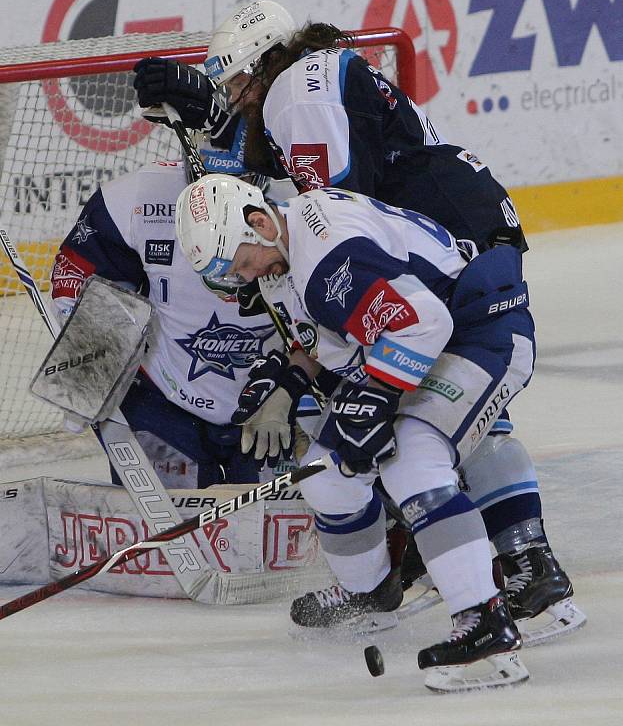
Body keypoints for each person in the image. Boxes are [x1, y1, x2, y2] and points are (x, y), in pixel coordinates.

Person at [134, 1, 579, 632]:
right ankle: (472, 559)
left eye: (235, 86)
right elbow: (296, 199)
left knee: (450, 413)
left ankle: (526, 563)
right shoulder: (307, 81)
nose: (234, 100)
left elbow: (325, 206)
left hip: (450, 242)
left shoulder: (296, 89)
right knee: (425, 411)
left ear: (264, 65)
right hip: (450, 225)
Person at [175, 174, 538, 681]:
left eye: (241, 264)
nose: (244, 278)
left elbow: (424, 321)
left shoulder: (327, 253)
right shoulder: (282, 255)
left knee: (413, 459)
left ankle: (484, 619)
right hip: (419, 345)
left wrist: (375, 397)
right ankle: (369, 591)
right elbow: (332, 340)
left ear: (258, 223)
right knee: (324, 473)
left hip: (481, 329)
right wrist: (287, 383)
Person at [49, 98, 283, 489]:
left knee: (282, 538)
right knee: (164, 538)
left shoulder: (302, 201)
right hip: (163, 402)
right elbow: (74, 277)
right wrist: (91, 367)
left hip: (272, 402)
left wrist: (295, 392)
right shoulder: (135, 198)